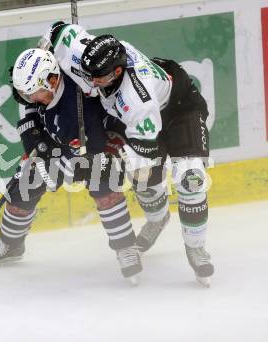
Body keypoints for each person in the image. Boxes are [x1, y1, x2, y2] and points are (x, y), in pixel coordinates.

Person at [39, 22, 214, 286]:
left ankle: (196, 246)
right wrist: (47, 50)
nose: (90, 80)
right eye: (87, 74)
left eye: (96, 77)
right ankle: (158, 219)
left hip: (179, 109)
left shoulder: (136, 100)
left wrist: (96, 163)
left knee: (190, 178)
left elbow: (146, 150)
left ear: (117, 71)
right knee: (147, 185)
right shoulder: (87, 56)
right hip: (137, 117)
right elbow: (59, 31)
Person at [0, 48, 142, 283]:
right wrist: (33, 132)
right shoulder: (48, 76)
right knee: (23, 187)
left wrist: (44, 163)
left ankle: (126, 248)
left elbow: (75, 163)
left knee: (104, 183)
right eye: (26, 94)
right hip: (61, 138)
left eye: (34, 94)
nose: (31, 99)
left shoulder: (78, 113)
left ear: (53, 80)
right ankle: (10, 246)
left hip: (96, 143)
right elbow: (28, 104)